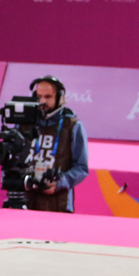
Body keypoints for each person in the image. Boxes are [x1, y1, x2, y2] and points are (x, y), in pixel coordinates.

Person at [24, 77, 88, 212]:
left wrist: (60, 183)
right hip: (26, 199)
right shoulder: (24, 123)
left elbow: (81, 167)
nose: (42, 101)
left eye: (48, 97)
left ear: (60, 98)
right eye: (38, 96)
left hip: (58, 202)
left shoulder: (73, 126)